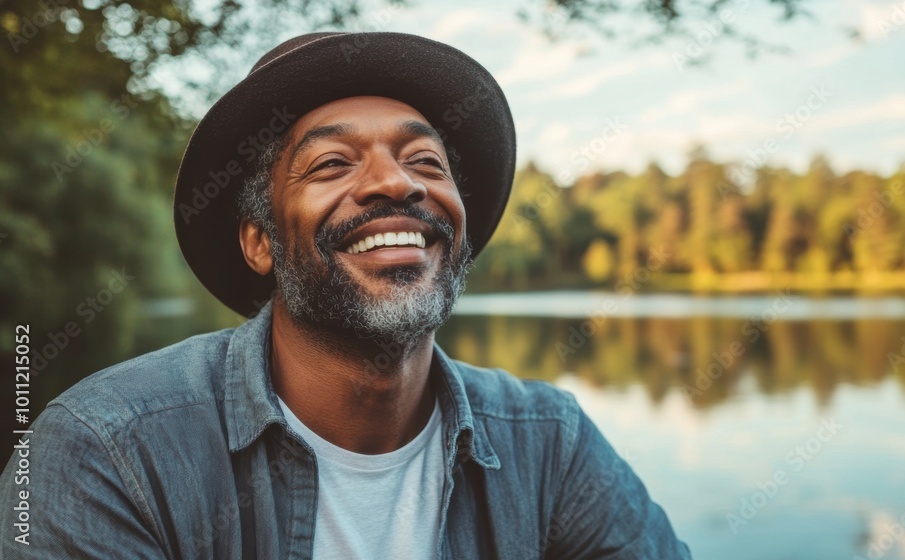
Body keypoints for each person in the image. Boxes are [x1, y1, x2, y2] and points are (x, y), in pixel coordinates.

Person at [0, 32, 692, 559]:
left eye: (426, 161)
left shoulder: (552, 445)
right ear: (259, 243)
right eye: (332, 163)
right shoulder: (105, 453)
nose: (399, 184)